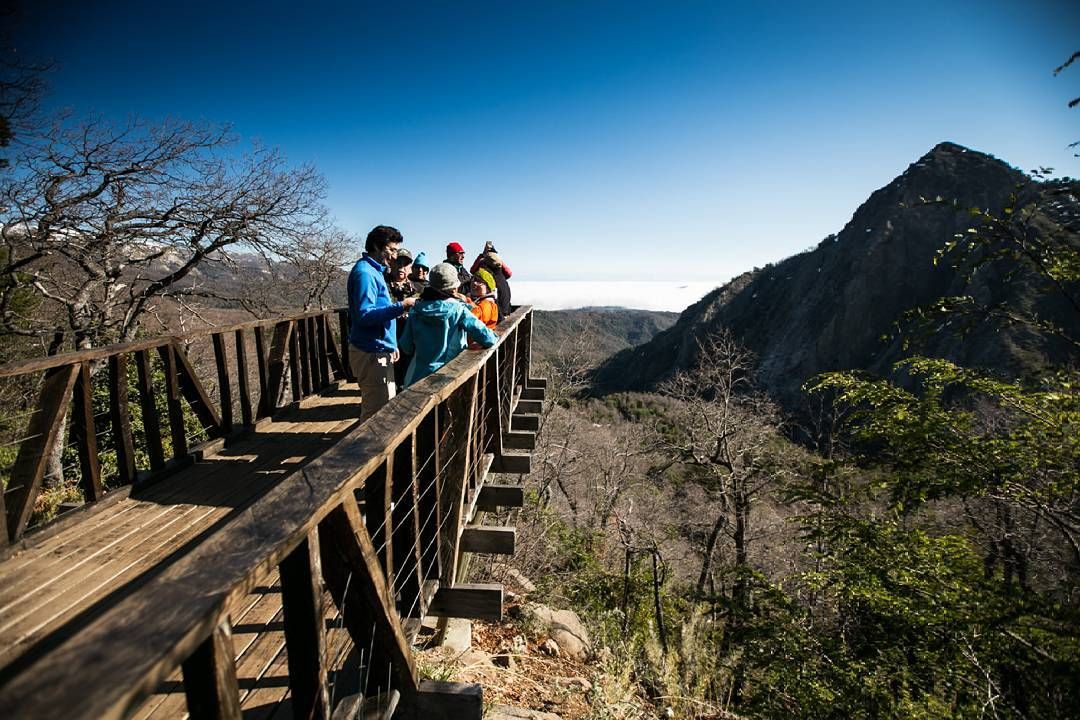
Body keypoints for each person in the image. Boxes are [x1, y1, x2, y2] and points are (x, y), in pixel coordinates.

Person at [347, 225, 416, 421]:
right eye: (391, 250)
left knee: (382, 408)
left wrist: (390, 343)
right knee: (375, 417)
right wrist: (401, 306)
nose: (394, 256)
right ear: (377, 246)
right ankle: (362, 452)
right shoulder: (365, 274)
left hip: (378, 348)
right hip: (370, 352)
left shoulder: (374, 270)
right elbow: (364, 315)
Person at [399, 262, 498, 386]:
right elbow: (488, 338)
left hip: (418, 377)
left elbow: (406, 346)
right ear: (454, 288)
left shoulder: (416, 310)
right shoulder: (459, 310)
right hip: (450, 377)